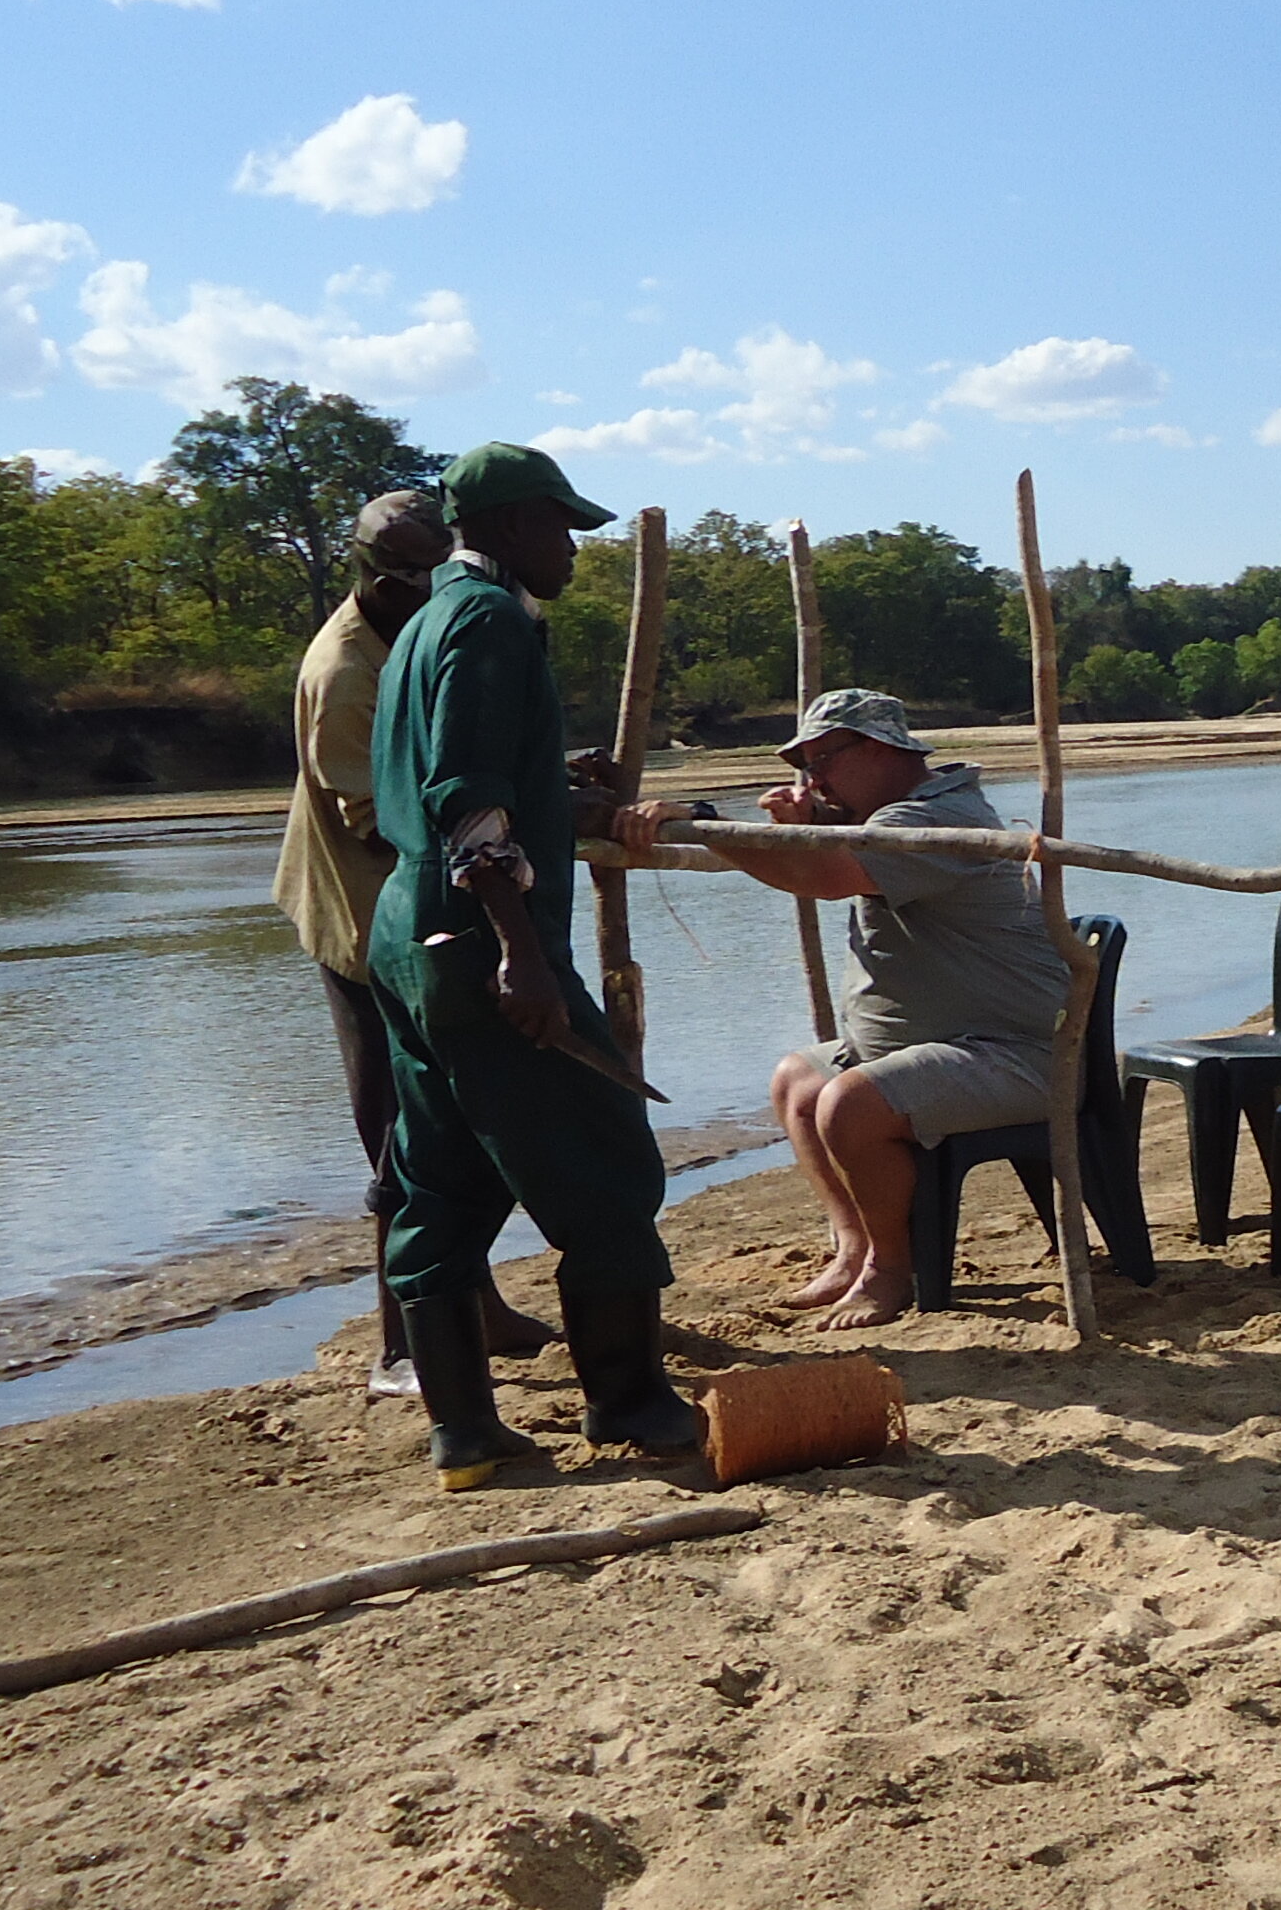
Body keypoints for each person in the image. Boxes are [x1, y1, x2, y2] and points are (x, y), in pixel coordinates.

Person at [368, 438, 698, 1484]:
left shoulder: (426, 621)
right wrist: (522, 955)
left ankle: (463, 1432)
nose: (571, 547)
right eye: (560, 526)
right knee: (607, 1163)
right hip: (476, 940)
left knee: (446, 1176)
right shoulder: (489, 621)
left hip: (409, 934)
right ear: (510, 526)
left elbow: (465, 767)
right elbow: (465, 797)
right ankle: (631, 1404)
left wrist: (556, 783)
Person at [616, 687, 1064, 1330]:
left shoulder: (932, 820)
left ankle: (891, 1268)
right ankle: (853, 1246)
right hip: (940, 1042)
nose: (815, 778)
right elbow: (818, 860)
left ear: (881, 749)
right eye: (805, 765)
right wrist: (793, 832)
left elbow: (825, 878)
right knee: (797, 1082)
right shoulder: (881, 819)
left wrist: (704, 817)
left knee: (849, 1104)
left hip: (1012, 1053)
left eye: (824, 758)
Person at [272, 488, 551, 1394]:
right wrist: (502, 823)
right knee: (401, 1132)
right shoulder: (345, 669)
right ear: (380, 580)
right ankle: (402, 1346)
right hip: (363, 923)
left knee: (467, 1118)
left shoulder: (420, 634)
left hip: (423, 908)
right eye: (420, 580)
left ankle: (480, 1305)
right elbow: (380, 812)